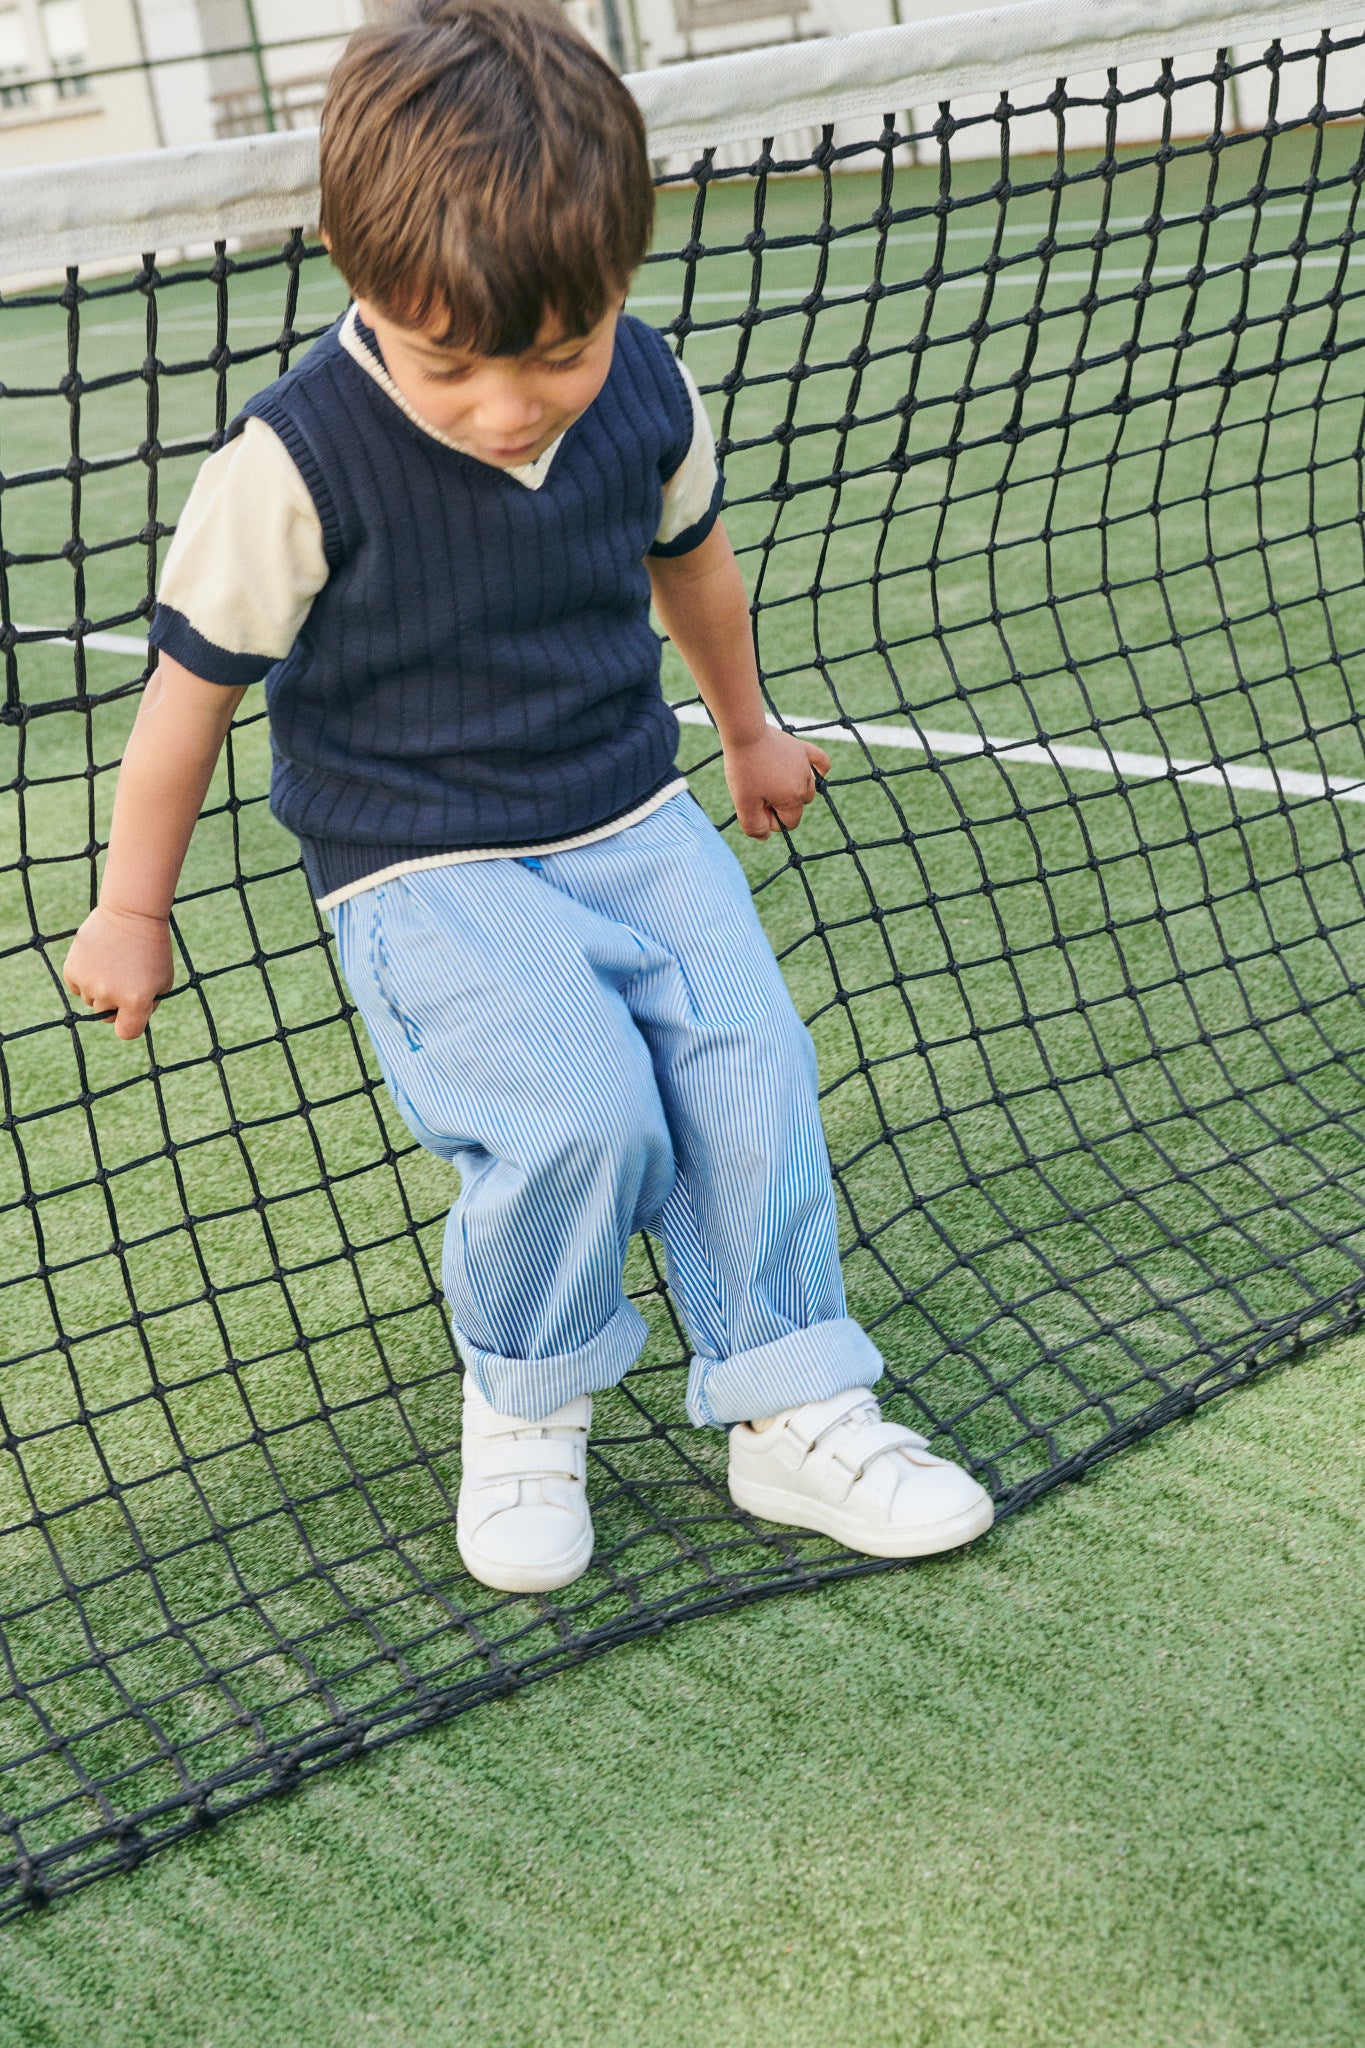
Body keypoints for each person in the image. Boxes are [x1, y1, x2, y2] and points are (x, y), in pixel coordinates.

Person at [62, 0, 993, 1594]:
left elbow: (692, 569)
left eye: (557, 351)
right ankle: (526, 1407)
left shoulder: (644, 392)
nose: (511, 404)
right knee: (572, 1121)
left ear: (617, 280)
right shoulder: (288, 467)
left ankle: (790, 1410)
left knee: (750, 1069)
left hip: (632, 820)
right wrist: (130, 905)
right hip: (421, 866)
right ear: (365, 285)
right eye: (452, 365)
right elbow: (189, 701)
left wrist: (750, 732)